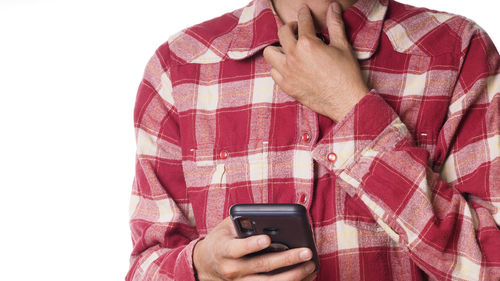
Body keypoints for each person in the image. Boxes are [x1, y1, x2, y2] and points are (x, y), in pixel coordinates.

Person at [126, 0, 500, 280]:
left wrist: (352, 106)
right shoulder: (180, 66)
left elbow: (490, 263)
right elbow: (146, 266)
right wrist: (202, 267)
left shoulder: (457, 52)